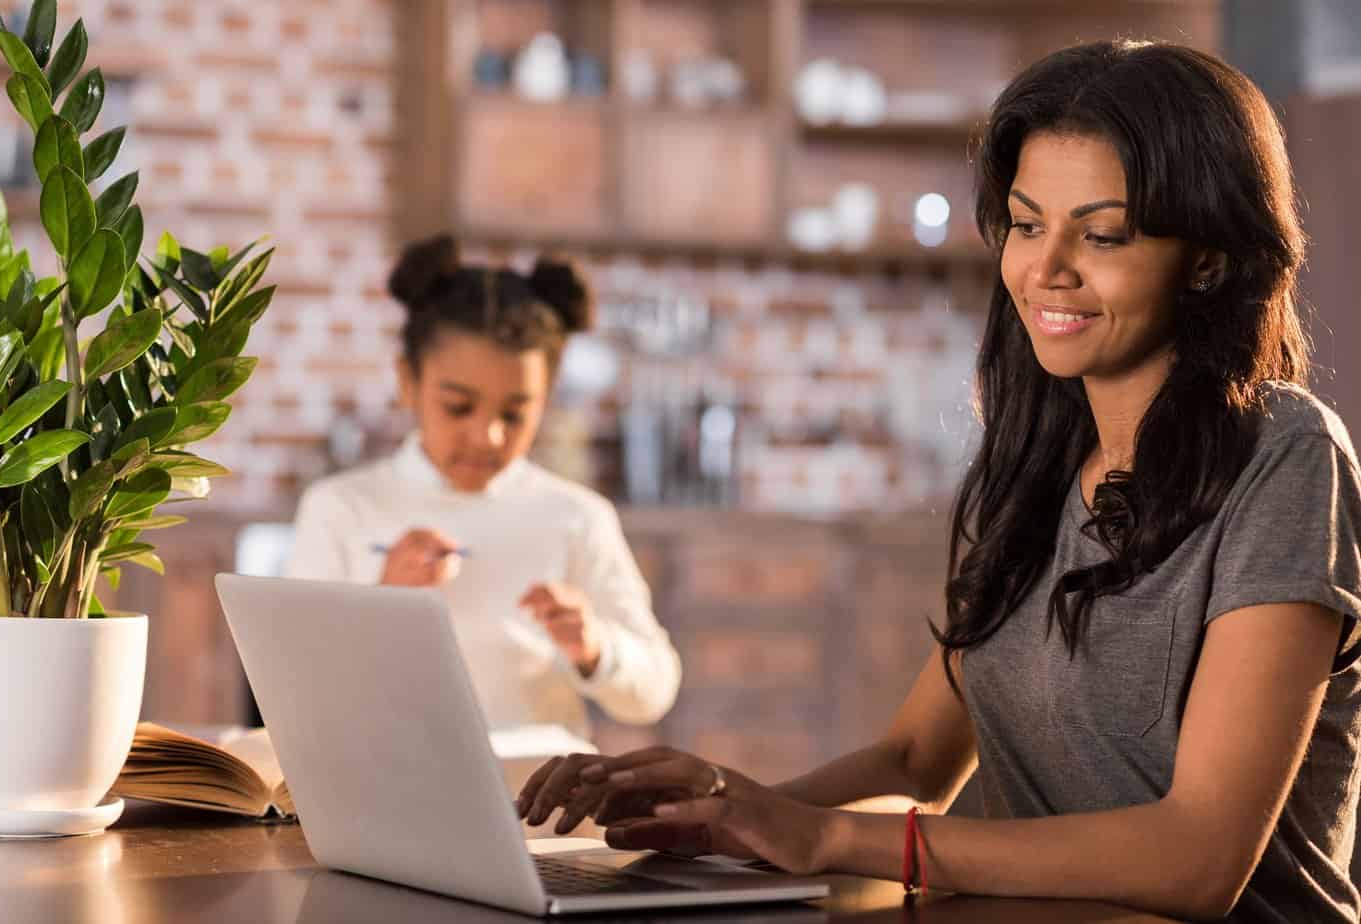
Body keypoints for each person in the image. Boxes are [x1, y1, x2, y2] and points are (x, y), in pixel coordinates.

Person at [515, 40, 1361, 923]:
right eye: (1027, 225)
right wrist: (723, 809)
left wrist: (827, 838)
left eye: (1101, 234)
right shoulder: (1036, 461)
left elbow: (1196, 859)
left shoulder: (1286, 455)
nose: (1046, 267)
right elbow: (916, 760)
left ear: (1209, 259)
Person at [287, 236, 681, 742]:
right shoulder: (340, 509)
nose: (487, 436)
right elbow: (299, 688)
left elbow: (655, 690)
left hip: (537, 801)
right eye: (457, 407)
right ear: (409, 380)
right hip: (387, 782)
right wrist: (383, 605)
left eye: (515, 413)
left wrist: (593, 646)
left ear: (548, 395)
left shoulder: (576, 516)